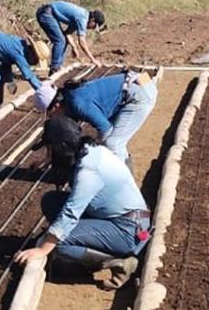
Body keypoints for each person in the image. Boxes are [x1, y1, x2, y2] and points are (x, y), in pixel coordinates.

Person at [14, 116, 151, 290]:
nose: (50, 152)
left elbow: (71, 212)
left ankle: (119, 262)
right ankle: (87, 252)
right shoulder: (90, 150)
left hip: (128, 230)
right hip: (121, 217)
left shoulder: (88, 172)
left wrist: (43, 250)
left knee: (60, 242)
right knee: (51, 201)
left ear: (60, 148)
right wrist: (47, 159)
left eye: (51, 148)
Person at [32, 70, 157, 164]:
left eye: (49, 112)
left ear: (56, 105)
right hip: (138, 83)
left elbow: (105, 128)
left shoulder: (77, 103)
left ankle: (122, 186)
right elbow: (53, 134)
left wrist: (96, 149)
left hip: (139, 94)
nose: (50, 117)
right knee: (116, 141)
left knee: (113, 143)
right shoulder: (68, 98)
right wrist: (47, 158)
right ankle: (123, 174)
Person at [36, 0, 105, 75]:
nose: (92, 28)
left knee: (63, 40)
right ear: (92, 20)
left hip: (49, 13)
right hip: (46, 13)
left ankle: (58, 66)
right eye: (94, 26)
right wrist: (92, 59)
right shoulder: (83, 18)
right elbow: (82, 41)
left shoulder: (81, 17)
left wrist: (74, 47)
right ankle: (54, 68)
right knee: (60, 41)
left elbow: (67, 34)